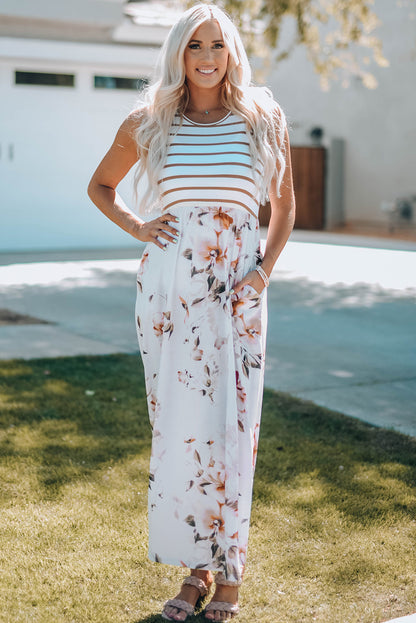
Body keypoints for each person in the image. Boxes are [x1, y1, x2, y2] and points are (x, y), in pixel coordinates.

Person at [88, 3, 295, 620]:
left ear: (232, 51)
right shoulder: (150, 117)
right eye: (194, 46)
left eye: (218, 45)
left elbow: (282, 209)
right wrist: (137, 225)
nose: (207, 57)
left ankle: (229, 577)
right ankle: (194, 572)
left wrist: (262, 273)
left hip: (237, 293)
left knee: (233, 432)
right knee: (180, 431)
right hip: (167, 297)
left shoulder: (262, 114)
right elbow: (101, 185)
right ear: (179, 53)